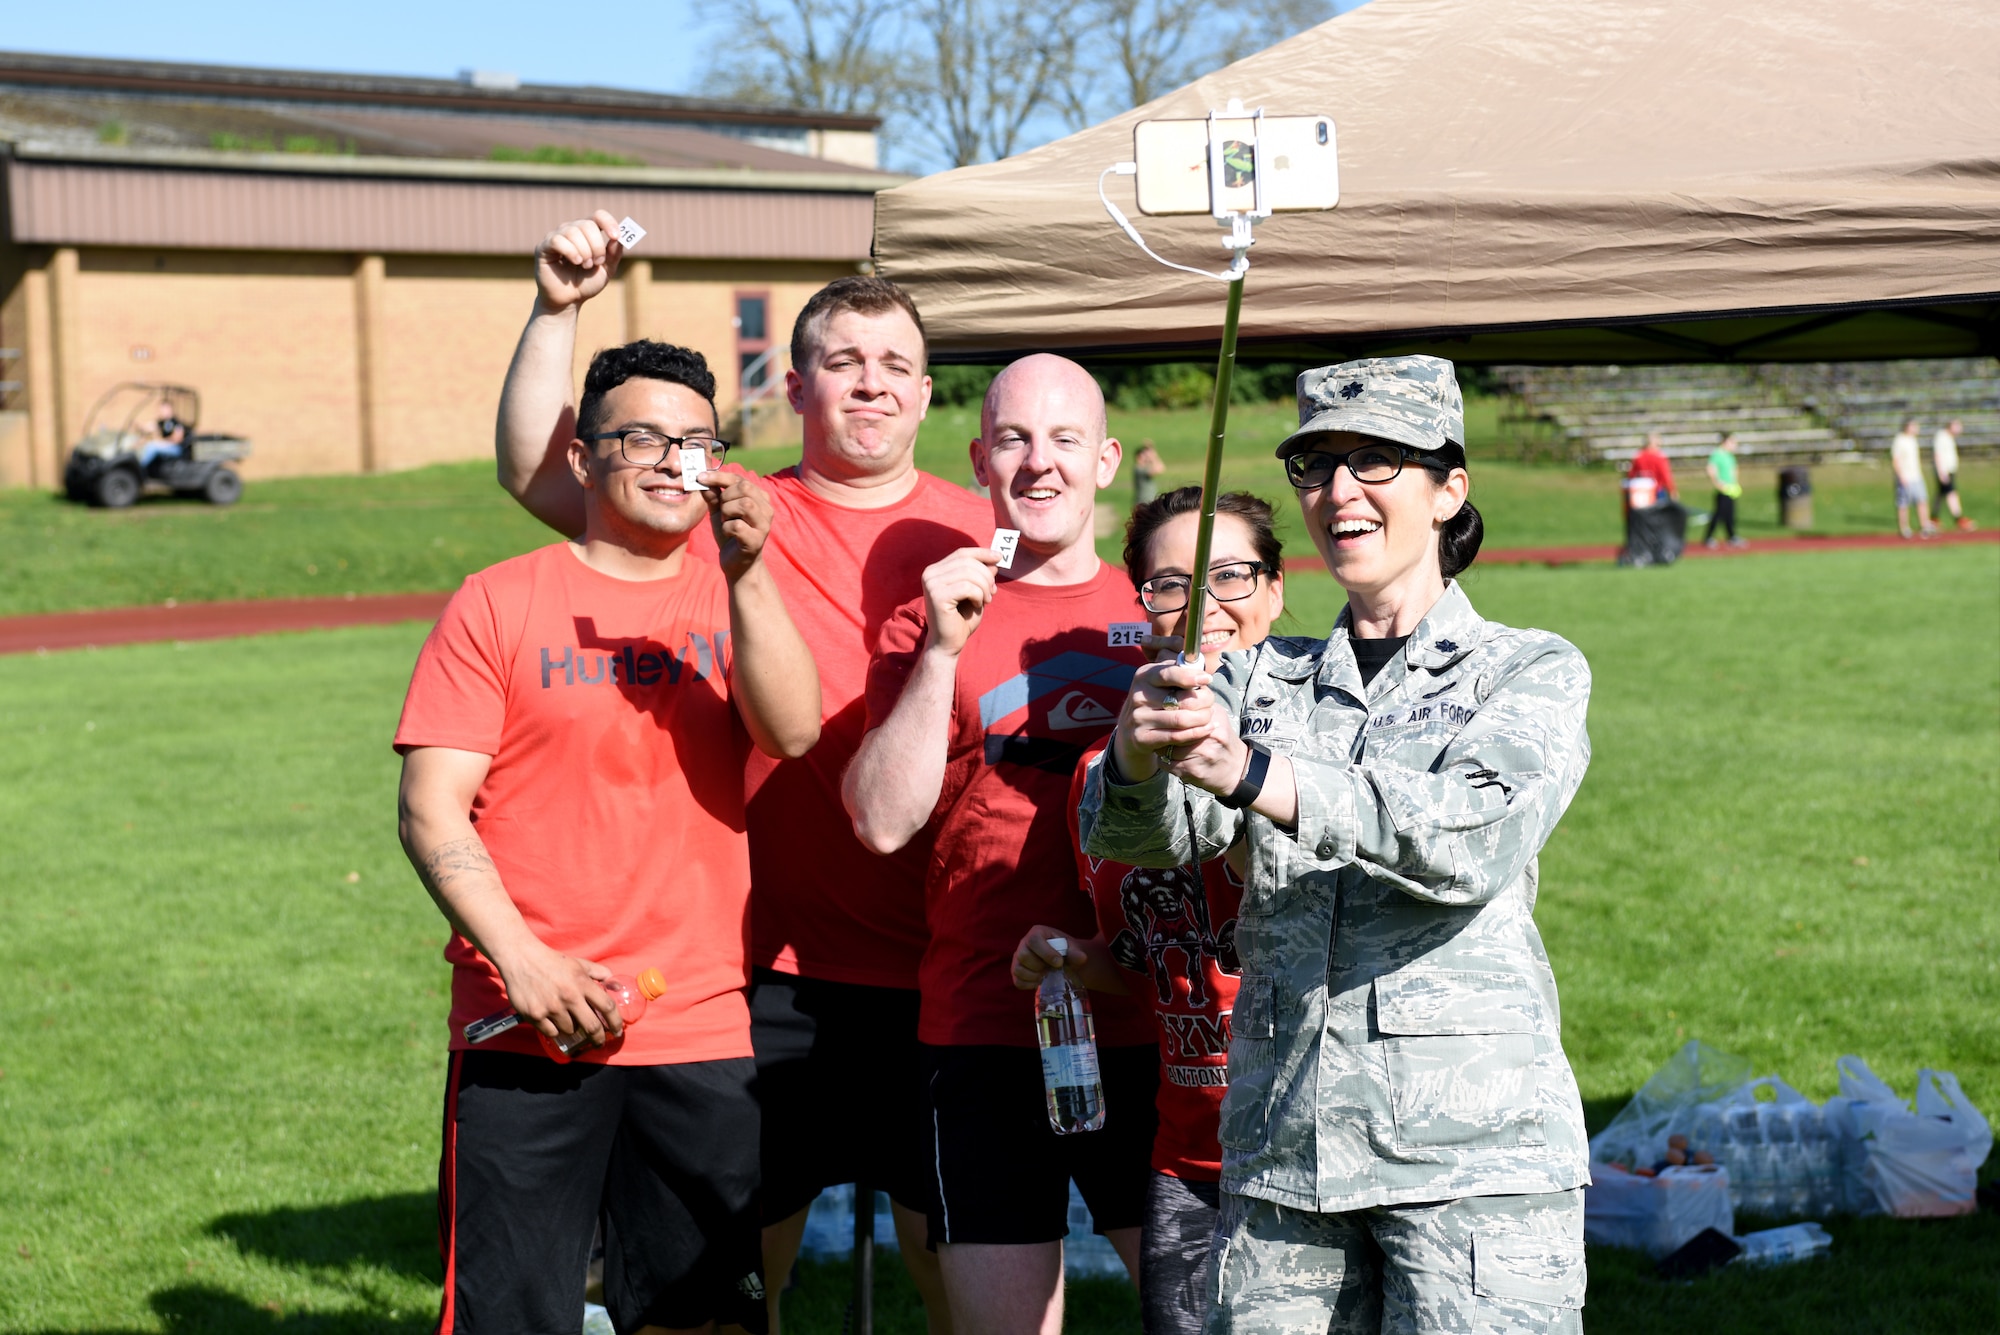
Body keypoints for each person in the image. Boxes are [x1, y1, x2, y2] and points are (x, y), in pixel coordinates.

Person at [493, 212, 988, 1334]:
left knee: (954, 1271)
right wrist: (555, 310)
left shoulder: (981, 532)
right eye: (844, 363)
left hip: (942, 966)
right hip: (763, 968)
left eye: (897, 366)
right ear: (797, 383)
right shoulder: (723, 510)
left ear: (925, 396)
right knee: (725, 1277)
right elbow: (536, 468)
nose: (872, 385)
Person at [1082, 355, 1594, 1332]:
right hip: (1286, 1164)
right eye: (1313, 466)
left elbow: (1464, 837)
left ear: (1449, 489)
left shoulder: (1525, 669)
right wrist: (1136, 753)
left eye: (1375, 460)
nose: (1336, 491)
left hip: (1468, 1169)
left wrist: (1256, 775)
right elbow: (1148, 839)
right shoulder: (1258, 680)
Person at [397, 341, 822, 1334]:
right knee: (514, 1317)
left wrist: (751, 573)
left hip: (700, 1025)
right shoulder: (498, 599)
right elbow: (429, 807)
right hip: (526, 1022)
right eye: (644, 438)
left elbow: (791, 731)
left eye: (697, 441)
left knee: (700, 1317)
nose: (677, 461)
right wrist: (524, 963)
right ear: (583, 461)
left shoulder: (735, 594)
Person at [844, 354, 1160, 1335]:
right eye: (1015, 439)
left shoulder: (1159, 613)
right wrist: (939, 649)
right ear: (980, 459)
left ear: (1105, 459)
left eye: (1065, 439)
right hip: (985, 1023)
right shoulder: (935, 615)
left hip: (1150, 1020)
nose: (1040, 463)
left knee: (1208, 1317)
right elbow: (879, 818)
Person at [1010, 486, 1285, 1335]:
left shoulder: (1320, 753)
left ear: (1277, 589)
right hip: (1187, 1160)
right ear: (1144, 609)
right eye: (1173, 583)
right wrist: (1077, 960)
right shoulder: (1103, 777)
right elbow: (1160, 957)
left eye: (1230, 575)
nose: (1203, 605)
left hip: (1313, 1158)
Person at [1890, 417, 1938, 540]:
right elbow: (1896, 460)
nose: (1917, 428)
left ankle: (1925, 526)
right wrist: (1901, 476)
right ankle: (1904, 528)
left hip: (1916, 476)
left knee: (1922, 500)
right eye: (1914, 426)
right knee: (1903, 503)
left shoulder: (1913, 440)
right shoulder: (1900, 440)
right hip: (1905, 477)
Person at [1702, 432, 1746, 549]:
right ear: (1725, 442)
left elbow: (1734, 470)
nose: (1734, 445)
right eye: (1732, 442)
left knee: (1730, 514)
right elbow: (1711, 470)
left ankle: (1732, 536)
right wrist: (1718, 483)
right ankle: (1708, 537)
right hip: (1723, 489)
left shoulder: (1730, 456)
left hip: (1731, 489)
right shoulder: (1717, 454)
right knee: (1719, 514)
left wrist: (1735, 484)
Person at [1932, 418, 1975, 531]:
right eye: (1957, 425)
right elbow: (1938, 455)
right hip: (1944, 471)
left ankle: (1933, 519)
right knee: (1952, 494)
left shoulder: (1949, 437)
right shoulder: (1942, 436)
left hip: (1949, 470)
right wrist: (1942, 472)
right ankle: (1958, 519)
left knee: (1940, 495)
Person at [1624, 432, 1677, 511]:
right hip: (1657, 492)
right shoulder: (1659, 458)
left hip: (1641, 494)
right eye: (1658, 445)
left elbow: (1631, 475)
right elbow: (1666, 476)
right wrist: (1672, 491)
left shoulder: (1638, 456)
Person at [1132, 441, 1166, 506]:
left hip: (1149, 501)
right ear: (1139, 456)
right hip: (1143, 502)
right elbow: (1158, 470)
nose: (1146, 457)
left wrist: (1152, 455)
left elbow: (1161, 467)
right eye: (1144, 455)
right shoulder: (1138, 469)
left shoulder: (1145, 467)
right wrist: (1153, 457)